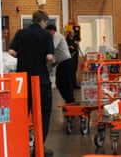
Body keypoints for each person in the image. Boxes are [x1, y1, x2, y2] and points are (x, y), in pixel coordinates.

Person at [8, 10, 54, 157]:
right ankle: (39, 147)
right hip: (41, 81)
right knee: (43, 115)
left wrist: (24, 54)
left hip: (22, 81)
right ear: (43, 22)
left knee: (21, 115)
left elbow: (11, 52)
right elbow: (49, 57)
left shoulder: (21, 33)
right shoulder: (46, 35)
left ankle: (19, 147)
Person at [46, 24, 75, 104]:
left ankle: (70, 101)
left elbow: (53, 47)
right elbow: (58, 52)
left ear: (52, 30)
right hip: (62, 62)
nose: (47, 33)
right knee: (59, 82)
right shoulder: (54, 37)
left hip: (66, 62)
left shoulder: (57, 35)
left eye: (47, 31)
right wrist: (55, 62)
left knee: (65, 82)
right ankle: (68, 100)